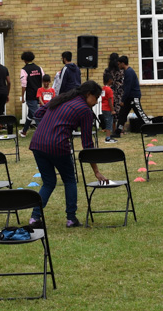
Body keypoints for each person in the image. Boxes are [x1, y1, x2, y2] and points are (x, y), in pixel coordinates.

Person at [28, 81, 107, 228]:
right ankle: (71, 219)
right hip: (57, 146)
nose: (96, 102)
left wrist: (52, 122)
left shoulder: (61, 99)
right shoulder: (85, 110)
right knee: (70, 180)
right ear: (88, 94)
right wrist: (96, 171)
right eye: (96, 98)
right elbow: (87, 144)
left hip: (38, 143)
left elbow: (38, 113)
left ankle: (34, 218)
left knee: (48, 182)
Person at [112, 56, 149, 138]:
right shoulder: (127, 72)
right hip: (129, 97)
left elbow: (128, 88)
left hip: (133, 96)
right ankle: (118, 132)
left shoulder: (129, 72)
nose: (118, 66)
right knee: (122, 114)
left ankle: (151, 129)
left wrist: (122, 100)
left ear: (123, 63)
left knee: (140, 113)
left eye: (119, 64)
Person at [19, 51, 44, 137]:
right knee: (30, 114)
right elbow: (43, 80)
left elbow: (24, 85)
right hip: (39, 95)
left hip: (31, 96)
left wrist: (22, 96)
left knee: (36, 115)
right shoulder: (39, 68)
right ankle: (24, 131)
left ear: (24, 60)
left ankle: (43, 134)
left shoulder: (24, 70)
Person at [103, 53, 125, 134]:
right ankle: (121, 129)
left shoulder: (107, 71)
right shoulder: (121, 71)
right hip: (119, 92)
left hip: (110, 92)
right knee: (121, 111)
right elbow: (123, 81)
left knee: (111, 111)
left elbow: (104, 82)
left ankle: (113, 128)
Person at [101, 72, 115, 143]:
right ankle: (108, 138)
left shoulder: (103, 88)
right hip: (108, 108)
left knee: (107, 122)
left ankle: (108, 137)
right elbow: (110, 100)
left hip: (103, 107)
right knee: (109, 123)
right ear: (109, 80)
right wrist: (112, 110)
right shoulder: (109, 89)